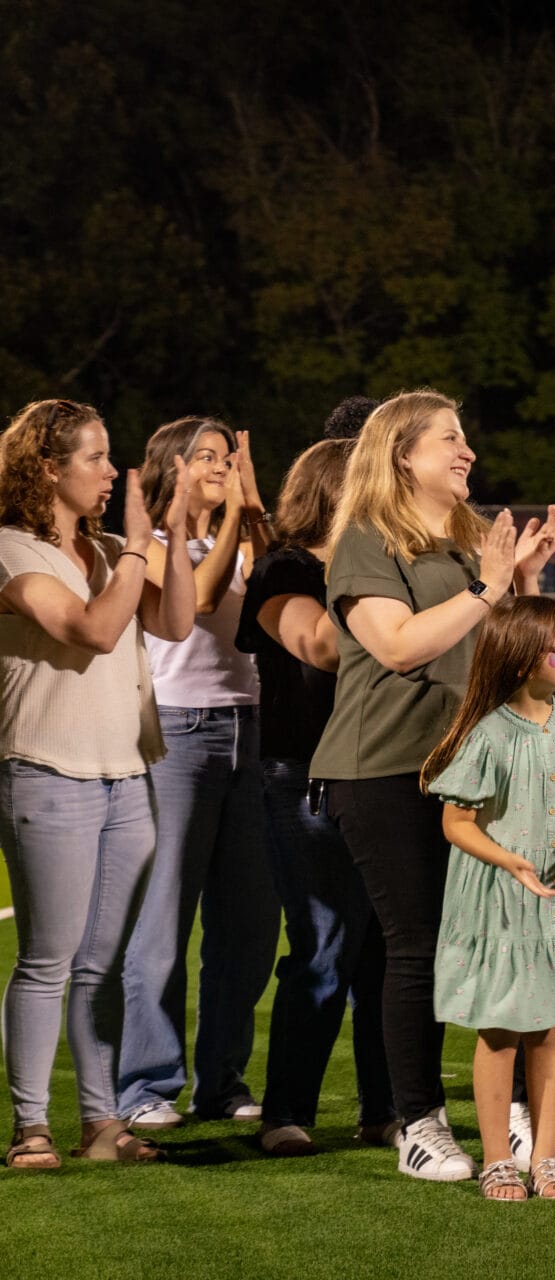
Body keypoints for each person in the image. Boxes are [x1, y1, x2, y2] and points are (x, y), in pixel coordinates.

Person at [309, 389, 555, 1181]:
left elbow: (500, 653)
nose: (467, 453)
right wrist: (488, 588)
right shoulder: (365, 538)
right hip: (383, 767)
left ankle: (506, 1112)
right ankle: (417, 1121)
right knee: (416, 946)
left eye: (465, 439)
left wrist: (519, 582)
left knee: (496, 939)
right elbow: (397, 646)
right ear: (401, 455)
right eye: (448, 440)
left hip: (461, 768)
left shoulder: (464, 547)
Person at [0, 398, 193, 1168]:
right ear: (47, 468)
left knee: (100, 962)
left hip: (126, 773)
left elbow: (176, 624)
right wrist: (140, 550)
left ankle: (102, 1124)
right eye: (95, 458)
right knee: (48, 957)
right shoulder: (12, 549)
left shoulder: (117, 547)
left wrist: (170, 538)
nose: (112, 473)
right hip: (47, 770)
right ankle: (31, 1128)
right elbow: (92, 630)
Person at [422, 597, 555, 1200]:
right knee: (500, 1031)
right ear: (525, 657)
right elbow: (456, 824)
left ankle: (545, 1157)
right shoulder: (486, 735)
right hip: (502, 900)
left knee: (551, 1031)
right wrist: (506, 857)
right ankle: (495, 1160)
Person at [117, 417, 279, 1131]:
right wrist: (237, 511)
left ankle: (224, 1082)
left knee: (247, 926)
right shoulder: (152, 545)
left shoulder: (244, 536)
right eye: (205, 456)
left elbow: (276, 591)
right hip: (179, 732)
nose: (220, 465)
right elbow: (203, 601)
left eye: (226, 456)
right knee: (163, 921)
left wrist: (255, 511)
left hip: (254, 730)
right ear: (171, 467)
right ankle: (146, 1087)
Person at [236, 436, 394, 1156]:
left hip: (381, 770)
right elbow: (321, 647)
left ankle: (387, 1108)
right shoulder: (283, 569)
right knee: (325, 945)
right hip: (304, 775)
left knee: (389, 951)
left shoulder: (378, 567)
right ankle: (287, 1110)